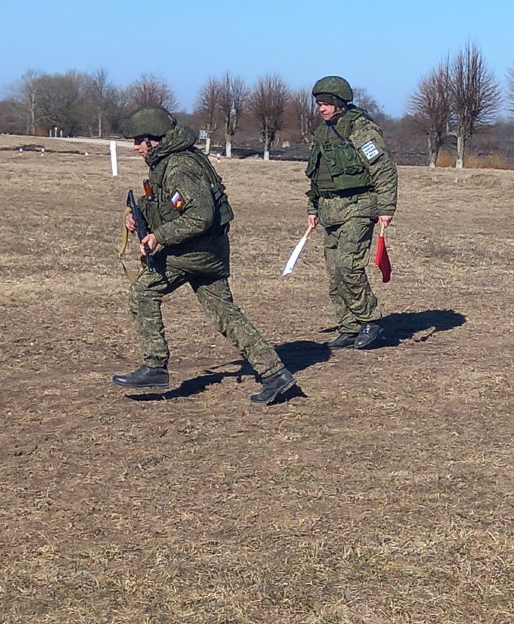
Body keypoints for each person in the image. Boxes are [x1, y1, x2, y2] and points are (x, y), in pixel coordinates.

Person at [112, 104, 297, 405]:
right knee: (225, 315)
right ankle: (275, 373)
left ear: (154, 139)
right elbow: (169, 206)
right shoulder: (169, 162)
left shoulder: (179, 167)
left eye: (138, 141)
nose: (134, 147)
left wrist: (158, 237)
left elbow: (199, 217)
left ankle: (155, 366)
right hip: (208, 251)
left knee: (141, 293)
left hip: (195, 251)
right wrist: (138, 216)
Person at [304, 75, 397, 349]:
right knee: (334, 272)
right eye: (318, 104)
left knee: (348, 266)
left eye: (326, 104)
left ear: (339, 104)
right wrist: (312, 207)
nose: (321, 109)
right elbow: (316, 175)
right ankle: (349, 326)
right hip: (330, 209)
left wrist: (386, 208)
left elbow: (383, 169)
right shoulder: (322, 133)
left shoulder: (361, 131)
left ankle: (370, 319)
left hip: (359, 206)